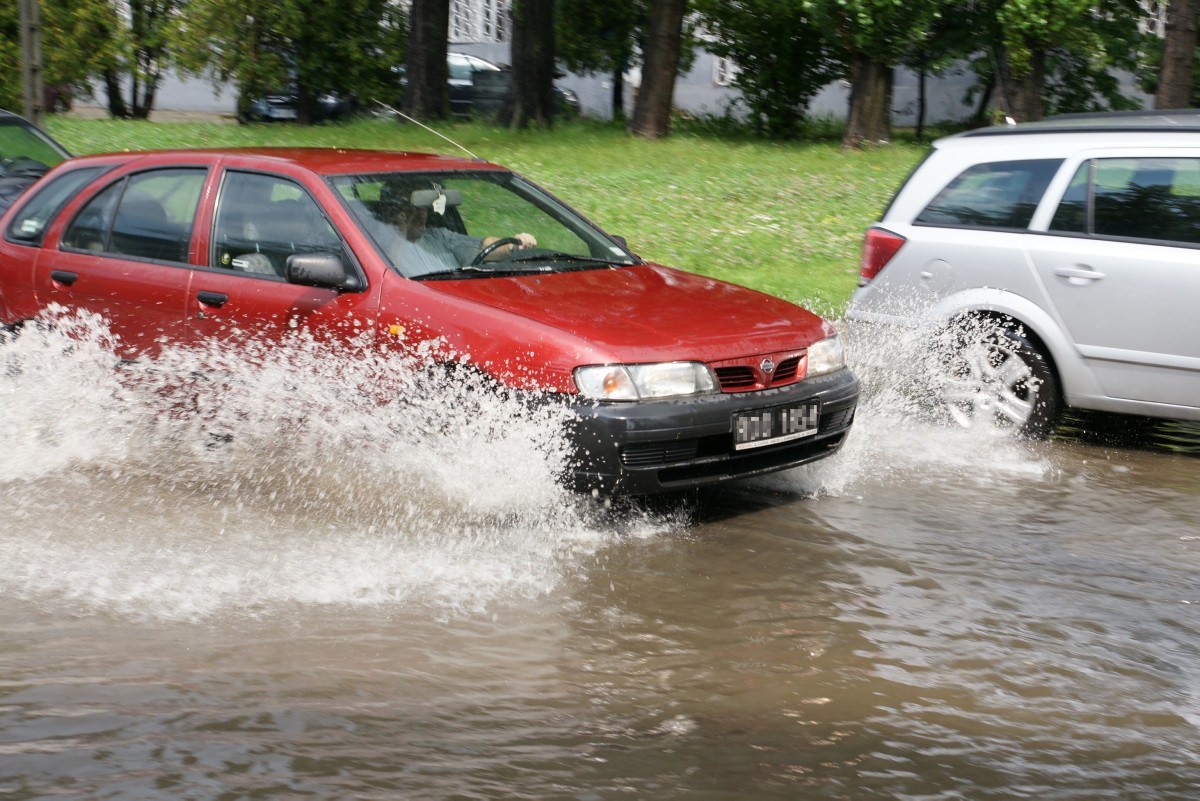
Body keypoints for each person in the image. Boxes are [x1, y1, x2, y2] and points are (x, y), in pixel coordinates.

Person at [373, 183, 536, 277]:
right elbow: (386, 276)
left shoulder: (439, 236)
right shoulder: (373, 243)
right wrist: (401, 230)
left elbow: (482, 246)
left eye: (423, 208)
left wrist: (514, 245)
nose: (421, 213)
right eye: (412, 208)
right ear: (392, 211)